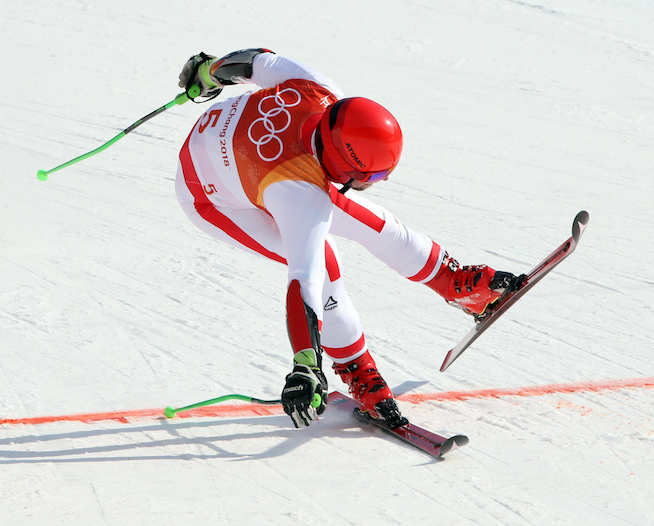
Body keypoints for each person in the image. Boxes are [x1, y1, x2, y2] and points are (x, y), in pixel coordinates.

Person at [175, 49, 519, 429]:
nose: (375, 184)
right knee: (326, 262)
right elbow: (304, 280)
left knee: (374, 223)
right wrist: (306, 365)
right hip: (210, 196)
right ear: (343, 164)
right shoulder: (299, 195)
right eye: (370, 178)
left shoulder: (319, 90)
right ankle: (357, 368)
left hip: (238, 145)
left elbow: (255, 61)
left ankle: (453, 282)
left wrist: (208, 71)